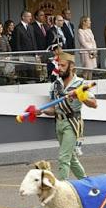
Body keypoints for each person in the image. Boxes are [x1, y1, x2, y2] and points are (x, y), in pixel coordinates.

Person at [39, 52, 97, 180]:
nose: (59, 68)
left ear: (71, 67)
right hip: (59, 123)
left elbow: (94, 104)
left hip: (72, 123)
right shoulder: (55, 85)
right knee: (71, 158)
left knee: (63, 157)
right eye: (58, 65)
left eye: (63, 65)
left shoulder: (81, 84)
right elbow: (54, 109)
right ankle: (86, 182)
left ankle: (62, 188)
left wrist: (81, 96)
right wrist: (41, 111)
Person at [77, 16, 97, 80]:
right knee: (86, 70)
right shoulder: (80, 31)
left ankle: (90, 83)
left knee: (91, 69)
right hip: (85, 52)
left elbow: (93, 40)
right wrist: (91, 50)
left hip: (92, 51)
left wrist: (95, 49)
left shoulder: (89, 30)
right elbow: (83, 42)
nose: (90, 22)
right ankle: (85, 85)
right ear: (84, 22)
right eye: (89, 21)